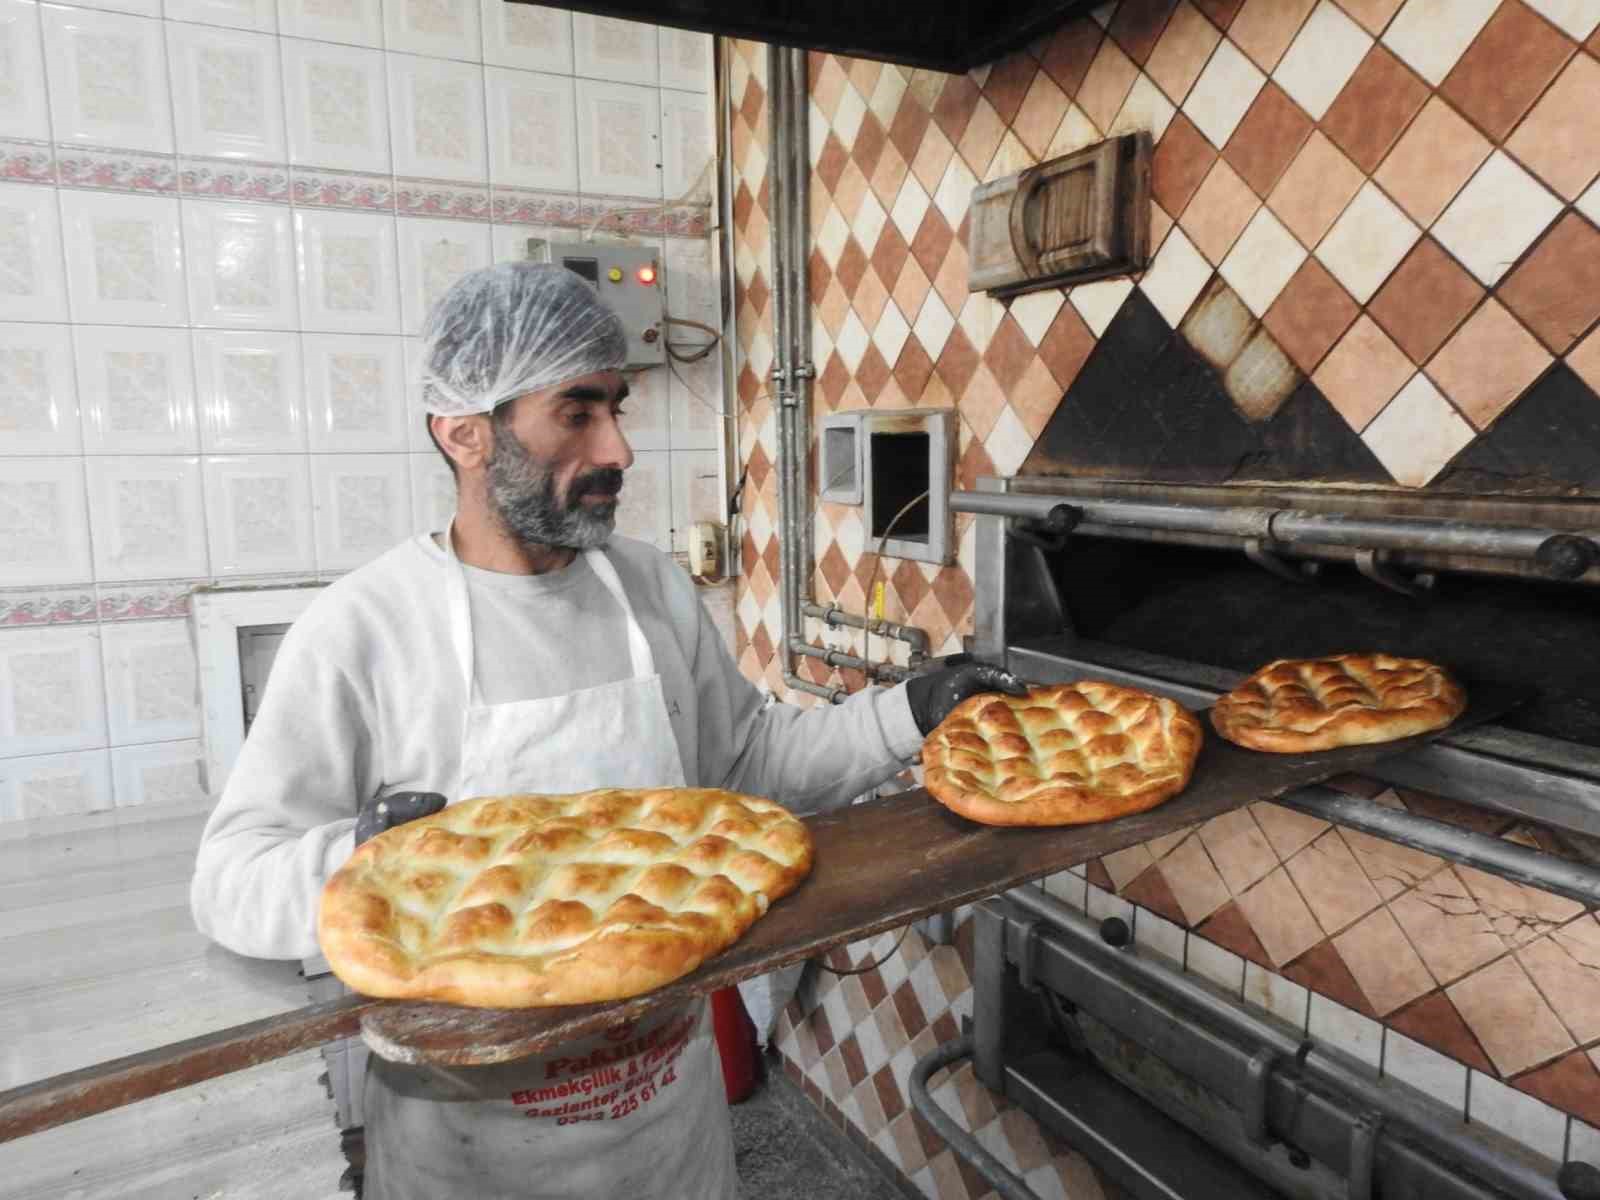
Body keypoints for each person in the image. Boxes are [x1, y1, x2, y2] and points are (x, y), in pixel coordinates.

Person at [189, 262, 1022, 1200]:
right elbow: (231, 878)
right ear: (465, 433)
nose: (621, 447)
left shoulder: (651, 588)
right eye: (577, 413)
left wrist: (909, 708)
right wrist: (363, 858)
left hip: (664, 1117)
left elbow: (745, 768)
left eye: (616, 408)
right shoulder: (365, 630)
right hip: (472, 1148)